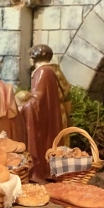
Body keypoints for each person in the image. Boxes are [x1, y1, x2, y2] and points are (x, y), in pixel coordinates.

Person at [17, 44, 65, 182]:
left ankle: (38, 172)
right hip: (47, 115)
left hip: (42, 119)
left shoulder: (43, 72)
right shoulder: (48, 71)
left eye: (31, 56)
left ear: (35, 57)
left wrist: (22, 107)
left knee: (40, 143)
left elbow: (38, 100)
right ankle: (46, 172)